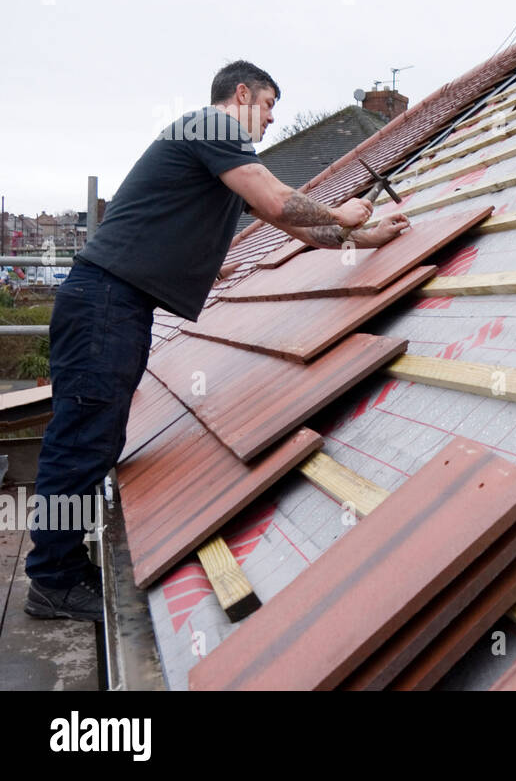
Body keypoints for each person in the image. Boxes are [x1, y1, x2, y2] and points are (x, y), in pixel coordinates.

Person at [25, 60, 410, 621]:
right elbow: (282, 201)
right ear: (242, 93)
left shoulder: (220, 159)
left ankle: (61, 567)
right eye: (270, 106)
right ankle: (51, 582)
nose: (273, 120)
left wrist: (364, 236)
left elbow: (293, 225)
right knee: (82, 440)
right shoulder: (212, 127)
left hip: (114, 304)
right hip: (104, 302)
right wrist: (347, 213)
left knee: (96, 439)